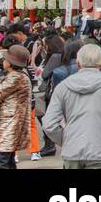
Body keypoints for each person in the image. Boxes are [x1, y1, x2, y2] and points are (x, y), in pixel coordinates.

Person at [40, 42, 101, 169]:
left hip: (72, 149)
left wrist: (66, 140)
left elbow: (49, 124)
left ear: (78, 63)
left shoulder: (63, 86)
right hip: (100, 148)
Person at [32, 33, 66, 161]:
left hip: (50, 91)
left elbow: (45, 74)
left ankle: (50, 145)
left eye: (45, 44)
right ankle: (50, 144)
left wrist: (39, 71)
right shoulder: (56, 56)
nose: (43, 46)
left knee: (45, 117)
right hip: (51, 90)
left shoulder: (55, 57)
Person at [0, 45, 32, 169]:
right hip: (12, 124)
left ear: (11, 63)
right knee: (9, 161)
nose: (3, 61)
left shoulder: (15, 78)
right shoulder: (21, 76)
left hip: (10, 125)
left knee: (2, 162)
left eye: (5, 59)